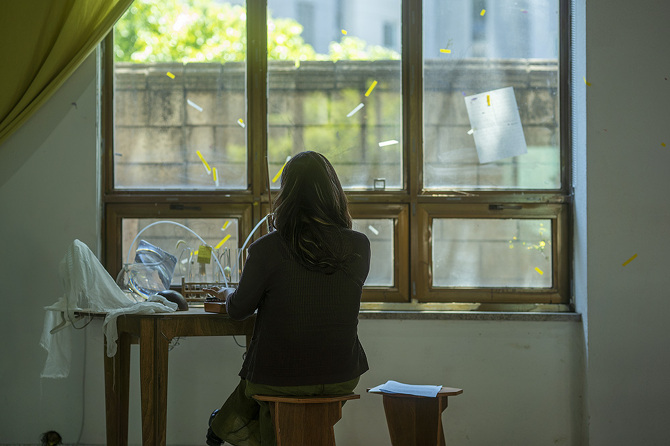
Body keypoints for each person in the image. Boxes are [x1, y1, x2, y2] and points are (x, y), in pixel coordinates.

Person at [204, 151, 371, 446]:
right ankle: (223, 425)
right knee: (269, 395)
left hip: (280, 377)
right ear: (334, 192)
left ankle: (223, 426)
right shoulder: (360, 245)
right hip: (342, 374)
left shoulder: (267, 248)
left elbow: (239, 309)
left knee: (259, 388)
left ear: (286, 195)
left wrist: (227, 293)